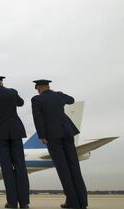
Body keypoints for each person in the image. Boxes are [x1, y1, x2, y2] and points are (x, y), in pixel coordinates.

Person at [31, 79, 88, 209]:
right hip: (67, 132)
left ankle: (72, 202)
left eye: (38, 88)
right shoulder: (58, 95)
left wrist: (42, 136)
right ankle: (82, 201)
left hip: (52, 135)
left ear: (39, 87)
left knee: (63, 169)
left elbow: (37, 118)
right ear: (48, 86)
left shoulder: (37, 100)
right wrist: (58, 93)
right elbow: (71, 100)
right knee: (74, 167)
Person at [0, 76, 30, 209]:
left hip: (0, 134)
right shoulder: (12, 92)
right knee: (21, 166)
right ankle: (24, 202)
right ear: (2, 83)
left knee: (7, 168)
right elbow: (21, 103)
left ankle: (12, 202)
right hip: (16, 132)